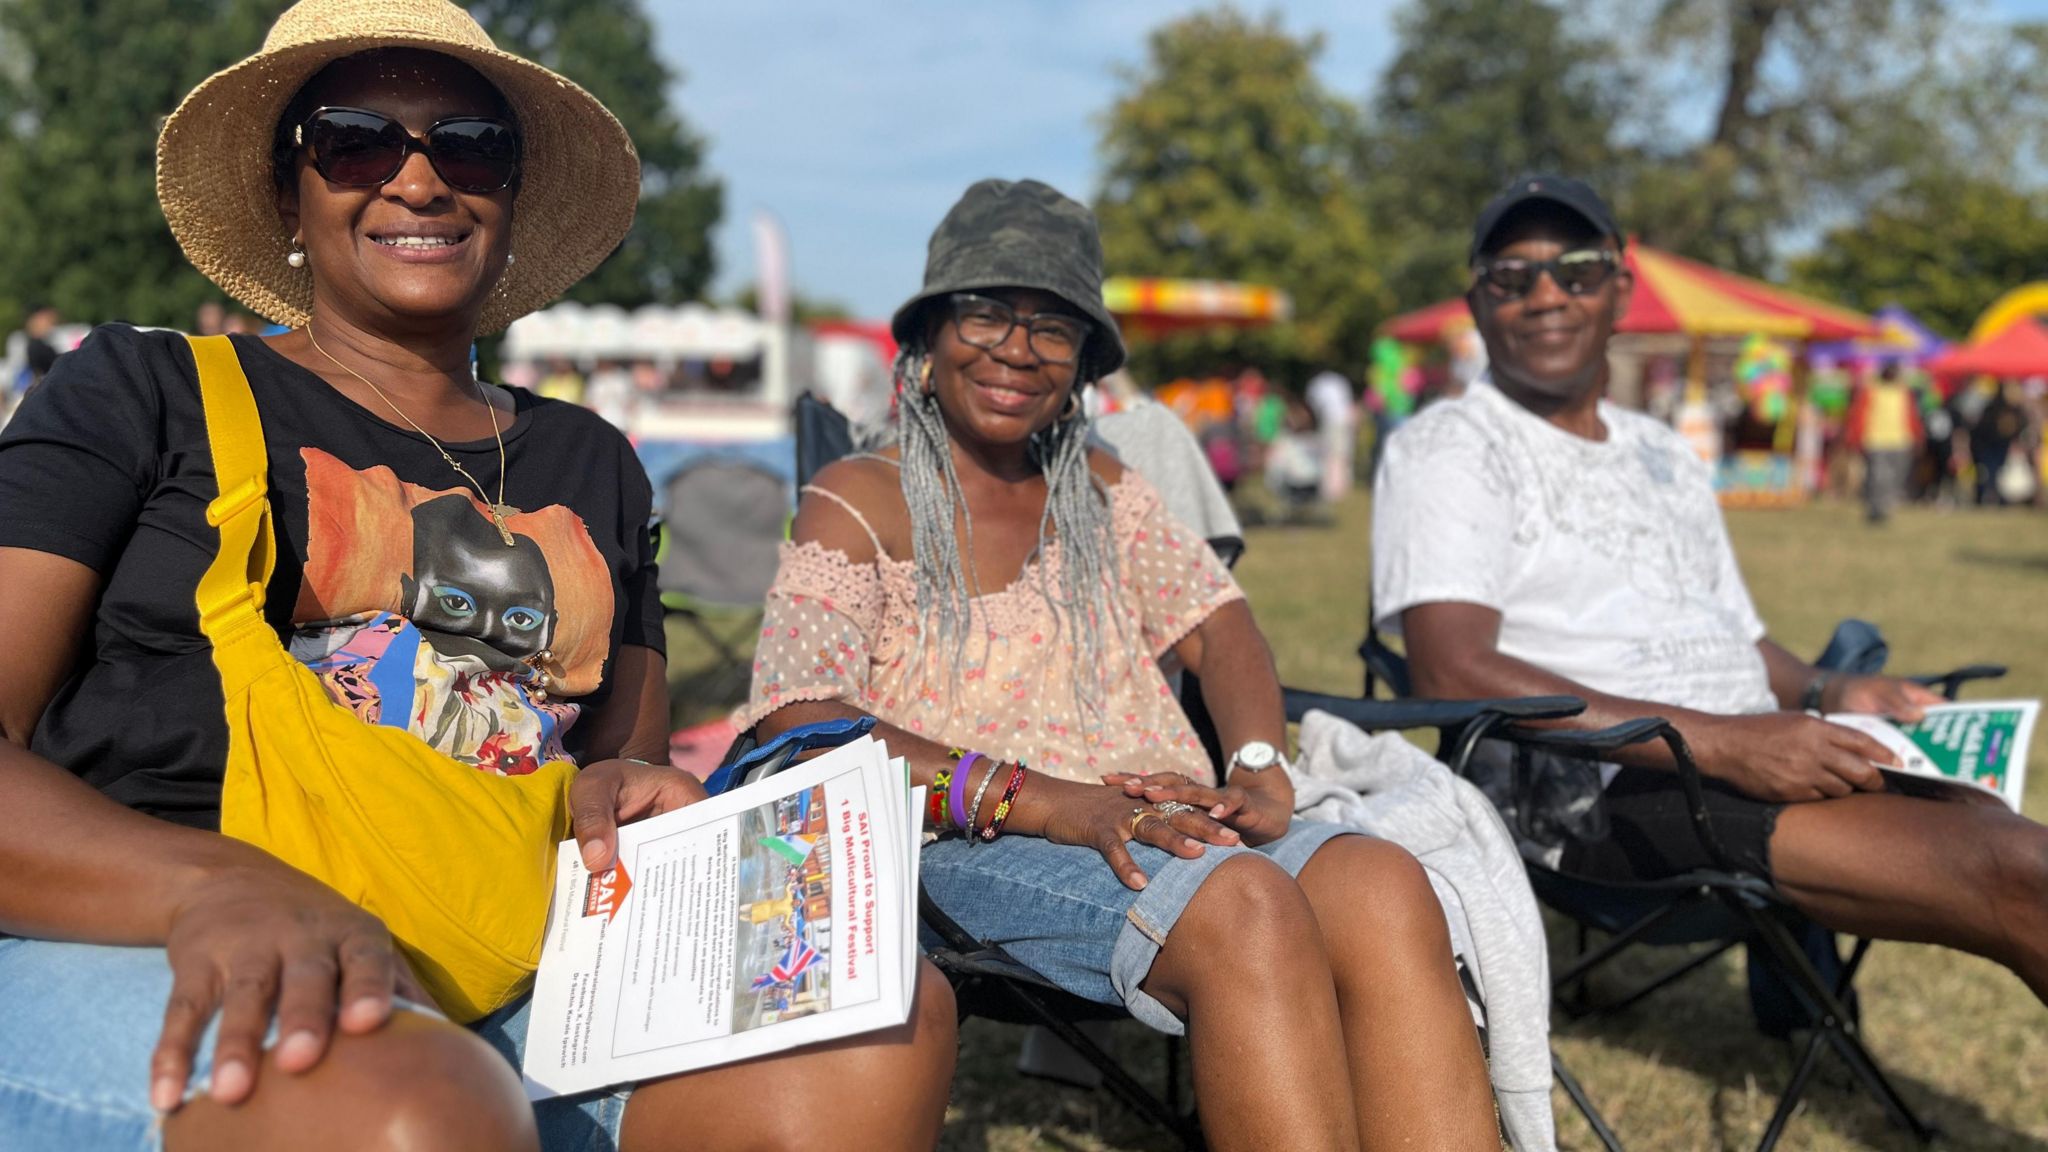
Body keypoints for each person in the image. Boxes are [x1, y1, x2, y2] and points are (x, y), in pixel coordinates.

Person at [0, 2, 954, 1149]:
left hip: (522, 951)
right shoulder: (142, 389)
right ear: (286, 192)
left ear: (509, 199)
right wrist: (204, 888)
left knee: (876, 1017)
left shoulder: (588, 459)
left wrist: (625, 791)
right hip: (161, 928)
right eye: (356, 139)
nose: (417, 180)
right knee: (418, 1111)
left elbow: (621, 762)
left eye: (469, 145)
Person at [739, 178, 1500, 1151]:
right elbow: (802, 723)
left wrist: (1260, 763)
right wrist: (1061, 802)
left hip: (1157, 813)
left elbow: (1219, 628)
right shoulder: (856, 500)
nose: (1017, 349)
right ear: (926, 338)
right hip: (962, 842)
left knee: (1385, 885)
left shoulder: (1102, 488)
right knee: (1247, 905)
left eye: (1053, 328)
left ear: (1084, 364)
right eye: (985, 313)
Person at [1373, 175, 2048, 1010]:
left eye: (1576, 270)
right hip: (1599, 786)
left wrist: (1830, 688)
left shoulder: (1661, 448)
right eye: (1512, 276)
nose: (1545, 294)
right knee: (2021, 875)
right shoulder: (1449, 446)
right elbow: (1452, 673)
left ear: (1620, 291)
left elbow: (1735, 636)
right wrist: (1728, 746)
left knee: (2018, 851)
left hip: (1751, 749)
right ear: (1478, 305)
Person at [1845, 361, 1921, 523]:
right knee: (1878, 477)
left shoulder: (1903, 392)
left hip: (1901, 441)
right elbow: (1859, 415)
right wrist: (1856, 437)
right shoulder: (1871, 391)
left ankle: (1886, 506)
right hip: (1876, 440)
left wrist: (1916, 436)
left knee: (1896, 477)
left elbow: (1912, 416)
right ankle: (1875, 509)